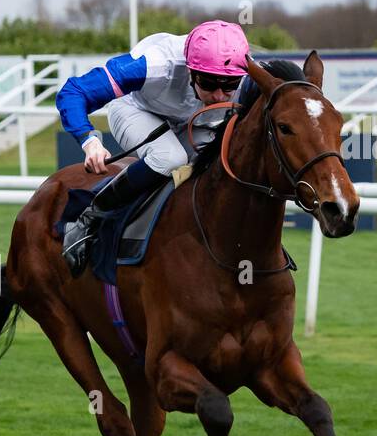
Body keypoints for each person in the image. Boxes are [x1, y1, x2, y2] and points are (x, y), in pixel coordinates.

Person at [55, 19, 249, 276]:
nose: (219, 96)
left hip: (191, 121)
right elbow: (73, 92)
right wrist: (90, 142)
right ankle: (91, 215)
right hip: (136, 109)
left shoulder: (246, 75)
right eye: (209, 84)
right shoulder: (155, 65)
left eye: (229, 86)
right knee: (170, 157)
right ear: (191, 71)